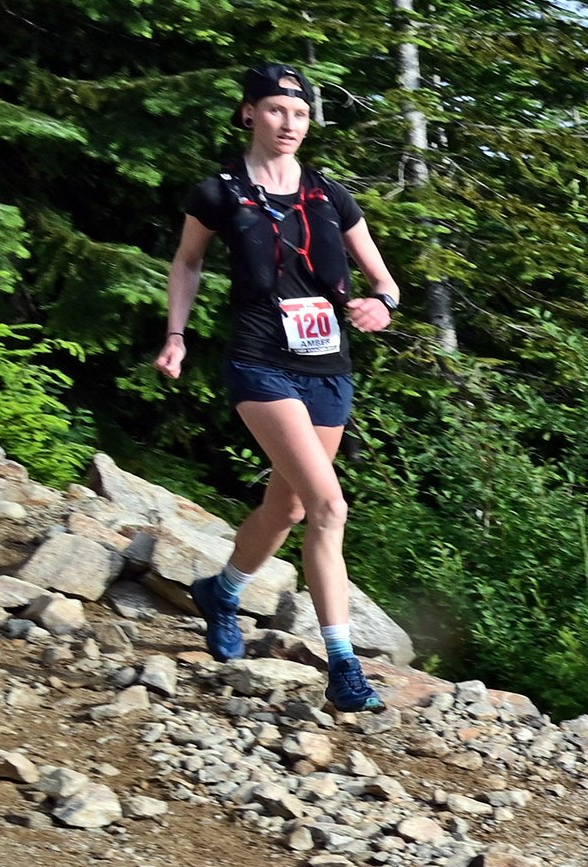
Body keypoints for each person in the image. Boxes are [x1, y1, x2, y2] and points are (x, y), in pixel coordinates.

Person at [154, 63, 404, 714]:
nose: (288, 124)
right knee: (330, 507)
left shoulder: (331, 194)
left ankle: (223, 590)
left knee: (289, 509)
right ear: (248, 114)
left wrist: (384, 304)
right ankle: (343, 667)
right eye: (274, 111)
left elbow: (385, 280)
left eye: (298, 114)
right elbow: (186, 261)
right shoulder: (218, 193)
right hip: (259, 361)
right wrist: (176, 335)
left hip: (328, 366)